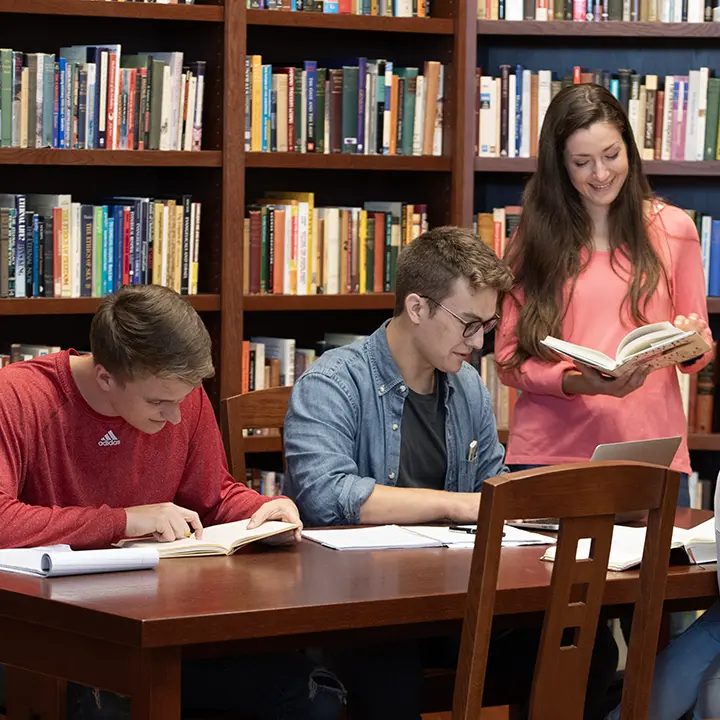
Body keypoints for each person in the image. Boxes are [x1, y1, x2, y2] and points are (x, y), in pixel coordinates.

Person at [284, 226, 618, 720]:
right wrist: (455, 502)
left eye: (486, 325)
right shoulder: (333, 382)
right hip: (357, 612)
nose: (480, 342)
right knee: (387, 675)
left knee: (587, 647)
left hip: (451, 606)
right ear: (417, 308)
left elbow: (494, 485)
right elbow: (326, 496)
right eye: (468, 324)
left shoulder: (467, 390)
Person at [0, 284, 342, 720]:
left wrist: (262, 510)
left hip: (166, 625)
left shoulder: (178, 394)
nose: (176, 416)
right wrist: (123, 521)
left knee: (315, 699)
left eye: (183, 399)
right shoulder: (18, 396)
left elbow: (213, 494)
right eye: (160, 402)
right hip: (54, 633)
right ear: (105, 376)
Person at [494, 83, 714, 507]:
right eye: (582, 162)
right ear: (561, 167)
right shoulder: (531, 240)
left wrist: (693, 343)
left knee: (657, 574)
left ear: (629, 148)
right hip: (549, 456)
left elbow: (698, 353)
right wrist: (579, 382)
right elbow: (507, 359)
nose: (600, 174)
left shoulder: (676, 230)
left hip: (649, 454)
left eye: (611, 156)